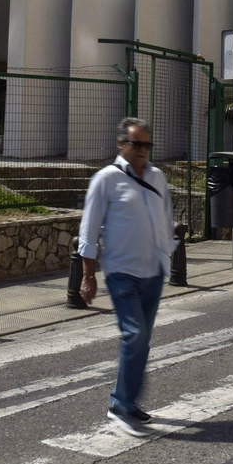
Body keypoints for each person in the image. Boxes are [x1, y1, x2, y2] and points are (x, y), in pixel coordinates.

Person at [77, 117, 176, 437]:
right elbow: (89, 230)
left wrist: (166, 255)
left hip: (153, 272)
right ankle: (120, 405)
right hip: (122, 272)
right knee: (135, 335)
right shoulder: (106, 179)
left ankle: (127, 402)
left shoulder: (157, 177)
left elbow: (165, 218)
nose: (142, 150)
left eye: (147, 144)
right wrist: (88, 277)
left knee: (142, 339)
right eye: (136, 143)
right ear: (121, 145)